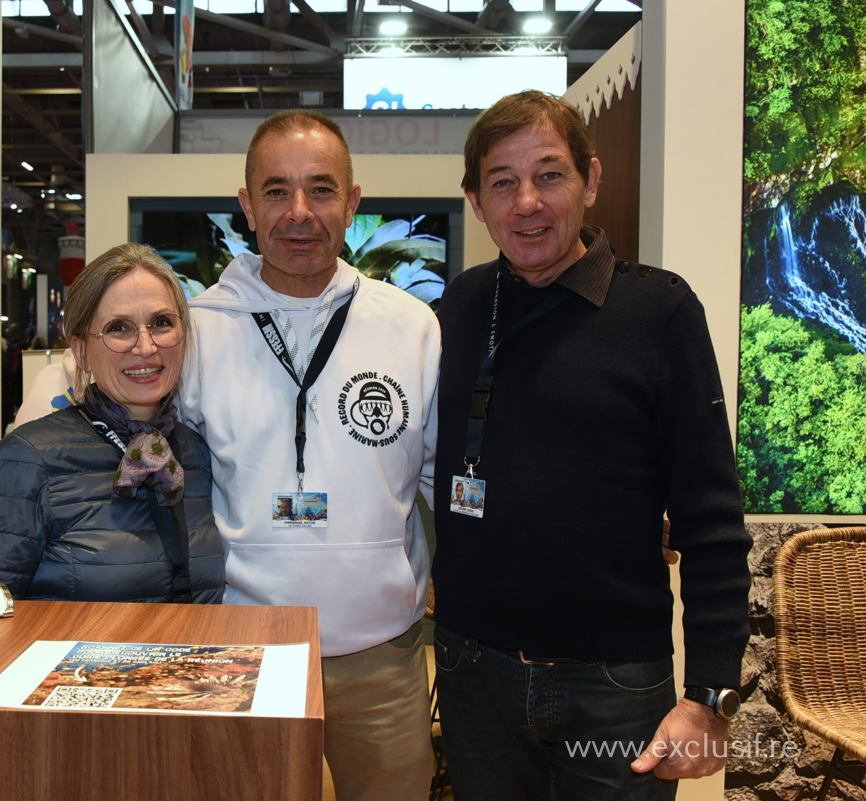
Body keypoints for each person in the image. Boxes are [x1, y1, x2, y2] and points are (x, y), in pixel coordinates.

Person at [432, 89, 751, 799]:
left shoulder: (661, 313)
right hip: (472, 671)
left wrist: (710, 693)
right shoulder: (457, 307)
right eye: (503, 183)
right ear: (475, 201)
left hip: (615, 682)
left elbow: (710, 517)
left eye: (549, 175)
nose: (527, 202)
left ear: (591, 180)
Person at [177, 110, 439, 801]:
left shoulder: (411, 327)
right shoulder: (198, 331)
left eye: (321, 190)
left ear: (353, 202)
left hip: (381, 654)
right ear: (246, 205)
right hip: (242, 651)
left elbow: (452, 479)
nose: (299, 213)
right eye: (276, 191)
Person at [0, 243, 223, 604]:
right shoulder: (28, 460)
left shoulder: (197, 452)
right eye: (119, 328)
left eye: (161, 323)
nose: (146, 347)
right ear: (81, 351)